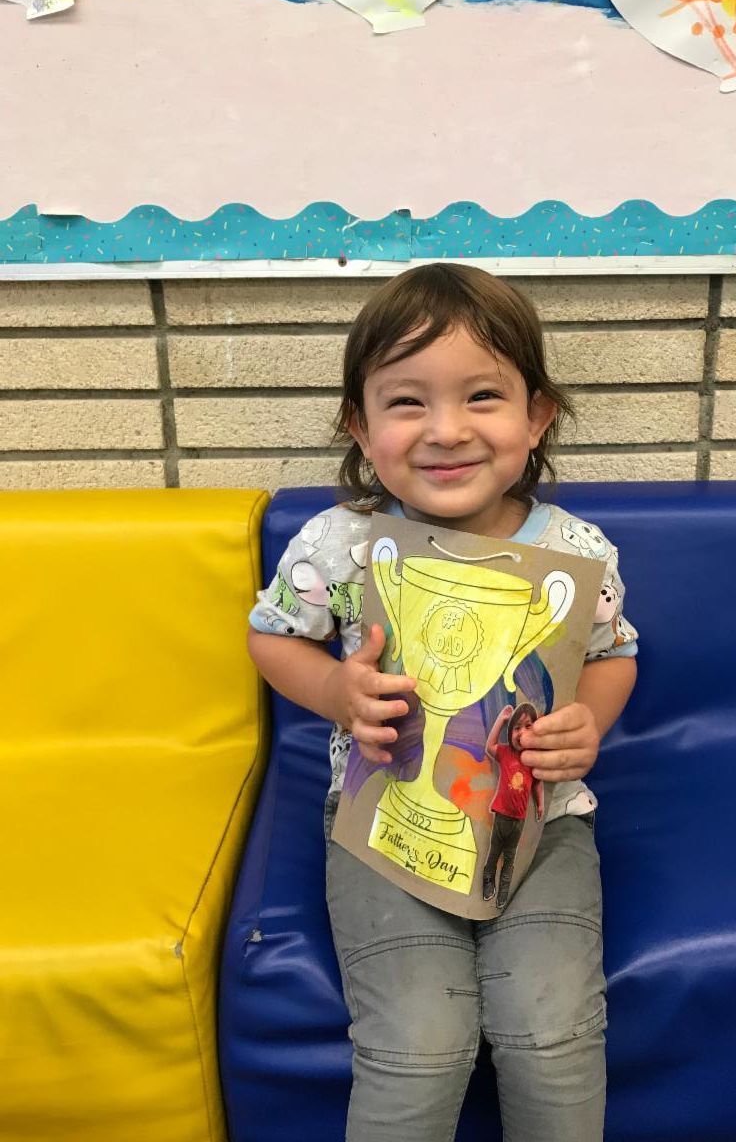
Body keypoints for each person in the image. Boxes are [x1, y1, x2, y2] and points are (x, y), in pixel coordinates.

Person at [247, 263, 638, 1142]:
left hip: (538, 821)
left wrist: (589, 725)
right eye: (408, 401)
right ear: (361, 423)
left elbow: (616, 654)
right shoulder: (342, 542)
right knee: (419, 1043)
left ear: (537, 416)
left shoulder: (575, 552)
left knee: (553, 1033)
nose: (447, 431)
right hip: (383, 819)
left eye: (483, 396)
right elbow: (273, 635)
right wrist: (335, 689)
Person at [483, 703, 545, 911]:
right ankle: (488, 883)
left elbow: (538, 784)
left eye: (528, 726)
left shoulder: (533, 760)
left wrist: (540, 805)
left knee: (509, 859)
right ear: (510, 733)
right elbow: (489, 746)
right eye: (517, 728)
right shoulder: (505, 753)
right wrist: (501, 720)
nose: (522, 733)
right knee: (493, 854)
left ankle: (503, 894)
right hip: (501, 817)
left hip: (519, 820)